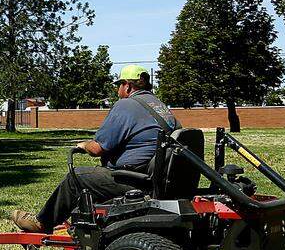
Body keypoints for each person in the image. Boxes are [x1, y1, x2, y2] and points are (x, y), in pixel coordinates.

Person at [10, 64, 179, 233]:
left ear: (127, 86)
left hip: (136, 181)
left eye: (118, 85)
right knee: (96, 179)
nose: (117, 90)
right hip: (161, 180)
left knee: (77, 177)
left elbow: (98, 148)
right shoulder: (161, 107)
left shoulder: (126, 105)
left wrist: (83, 145)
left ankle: (42, 223)